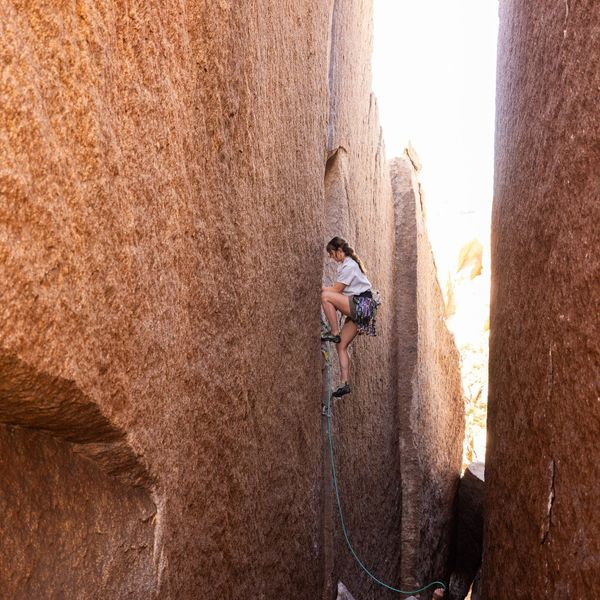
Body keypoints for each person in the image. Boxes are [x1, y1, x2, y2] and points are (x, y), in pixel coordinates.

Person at [321, 237, 379, 398]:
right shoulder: (348, 265)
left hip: (361, 305)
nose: (331, 257)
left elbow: (336, 290)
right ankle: (344, 383)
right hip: (363, 308)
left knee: (325, 296)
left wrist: (320, 288)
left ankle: (334, 332)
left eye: (332, 253)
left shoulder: (349, 266)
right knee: (341, 346)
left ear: (339, 251)